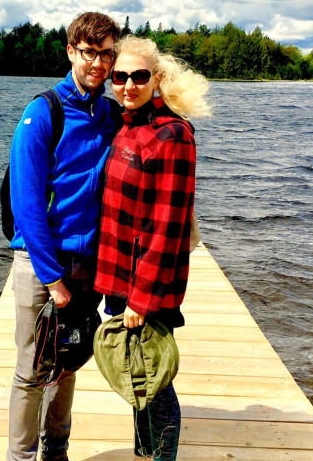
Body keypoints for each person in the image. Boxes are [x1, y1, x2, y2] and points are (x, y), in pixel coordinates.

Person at [7, 12, 122, 461]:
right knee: (31, 372)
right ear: (71, 51)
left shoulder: (110, 113)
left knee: (66, 365)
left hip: (88, 266)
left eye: (107, 54)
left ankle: (57, 452)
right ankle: (20, 458)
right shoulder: (42, 113)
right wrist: (53, 280)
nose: (99, 64)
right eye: (90, 53)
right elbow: (28, 206)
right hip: (42, 267)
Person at [93, 35, 212, 461]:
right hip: (120, 277)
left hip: (146, 286)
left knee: (156, 384)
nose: (128, 85)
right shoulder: (128, 124)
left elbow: (167, 226)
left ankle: (160, 458)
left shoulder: (172, 135)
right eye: (119, 77)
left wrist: (140, 300)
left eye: (139, 76)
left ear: (156, 79)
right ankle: (146, 456)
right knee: (138, 376)